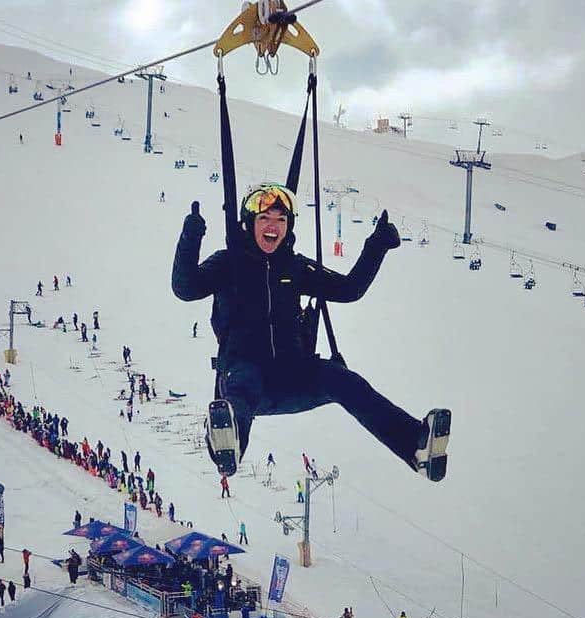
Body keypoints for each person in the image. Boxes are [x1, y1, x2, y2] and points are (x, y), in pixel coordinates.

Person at [172, 187, 450, 480]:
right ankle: (228, 441)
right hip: (245, 373)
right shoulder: (228, 264)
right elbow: (186, 288)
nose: (272, 226)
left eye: (281, 219)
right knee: (243, 387)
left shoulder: (295, 267)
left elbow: (348, 289)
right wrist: (191, 238)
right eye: (265, 217)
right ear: (249, 222)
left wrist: (377, 245)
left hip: (293, 373)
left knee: (345, 382)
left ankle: (417, 446)